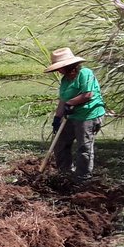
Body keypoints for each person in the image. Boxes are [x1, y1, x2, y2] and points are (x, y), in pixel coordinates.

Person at [46, 47, 105, 179]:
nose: (59, 71)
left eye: (60, 67)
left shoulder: (85, 73)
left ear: (69, 65)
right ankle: (65, 174)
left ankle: (83, 177)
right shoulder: (65, 80)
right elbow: (63, 100)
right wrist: (57, 118)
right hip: (71, 116)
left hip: (88, 115)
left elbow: (87, 95)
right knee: (60, 144)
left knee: (84, 147)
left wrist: (70, 103)